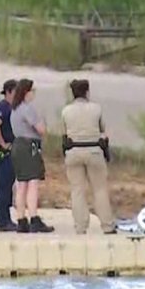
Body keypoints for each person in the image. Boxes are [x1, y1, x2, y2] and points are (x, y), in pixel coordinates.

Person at [60, 79, 115, 235]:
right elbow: (103, 131)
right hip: (93, 150)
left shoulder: (66, 111)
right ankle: (107, 225)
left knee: (77, 190)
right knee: (99, 189)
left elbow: (64, 133)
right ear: (87, 92)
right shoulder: (96, 109)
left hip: (73, 151)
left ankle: (80, 226)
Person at [9, 79, 54, 233]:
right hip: (30, 146)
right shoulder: (27, 109)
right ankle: (34, 217)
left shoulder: (15, 109)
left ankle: (21, 219)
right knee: (32, 182)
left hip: (17, 145)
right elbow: (40, 129)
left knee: (21, 184)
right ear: (26, 92)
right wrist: (43, 123)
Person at [0, 79, 18, 232]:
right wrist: (2, 143)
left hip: (12, 153)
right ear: (8, 92)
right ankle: (3, 221)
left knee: (8, 187)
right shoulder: (3, 107)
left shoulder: (14, 108)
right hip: (3, 154)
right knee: (3, 187)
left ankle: (7, 219)